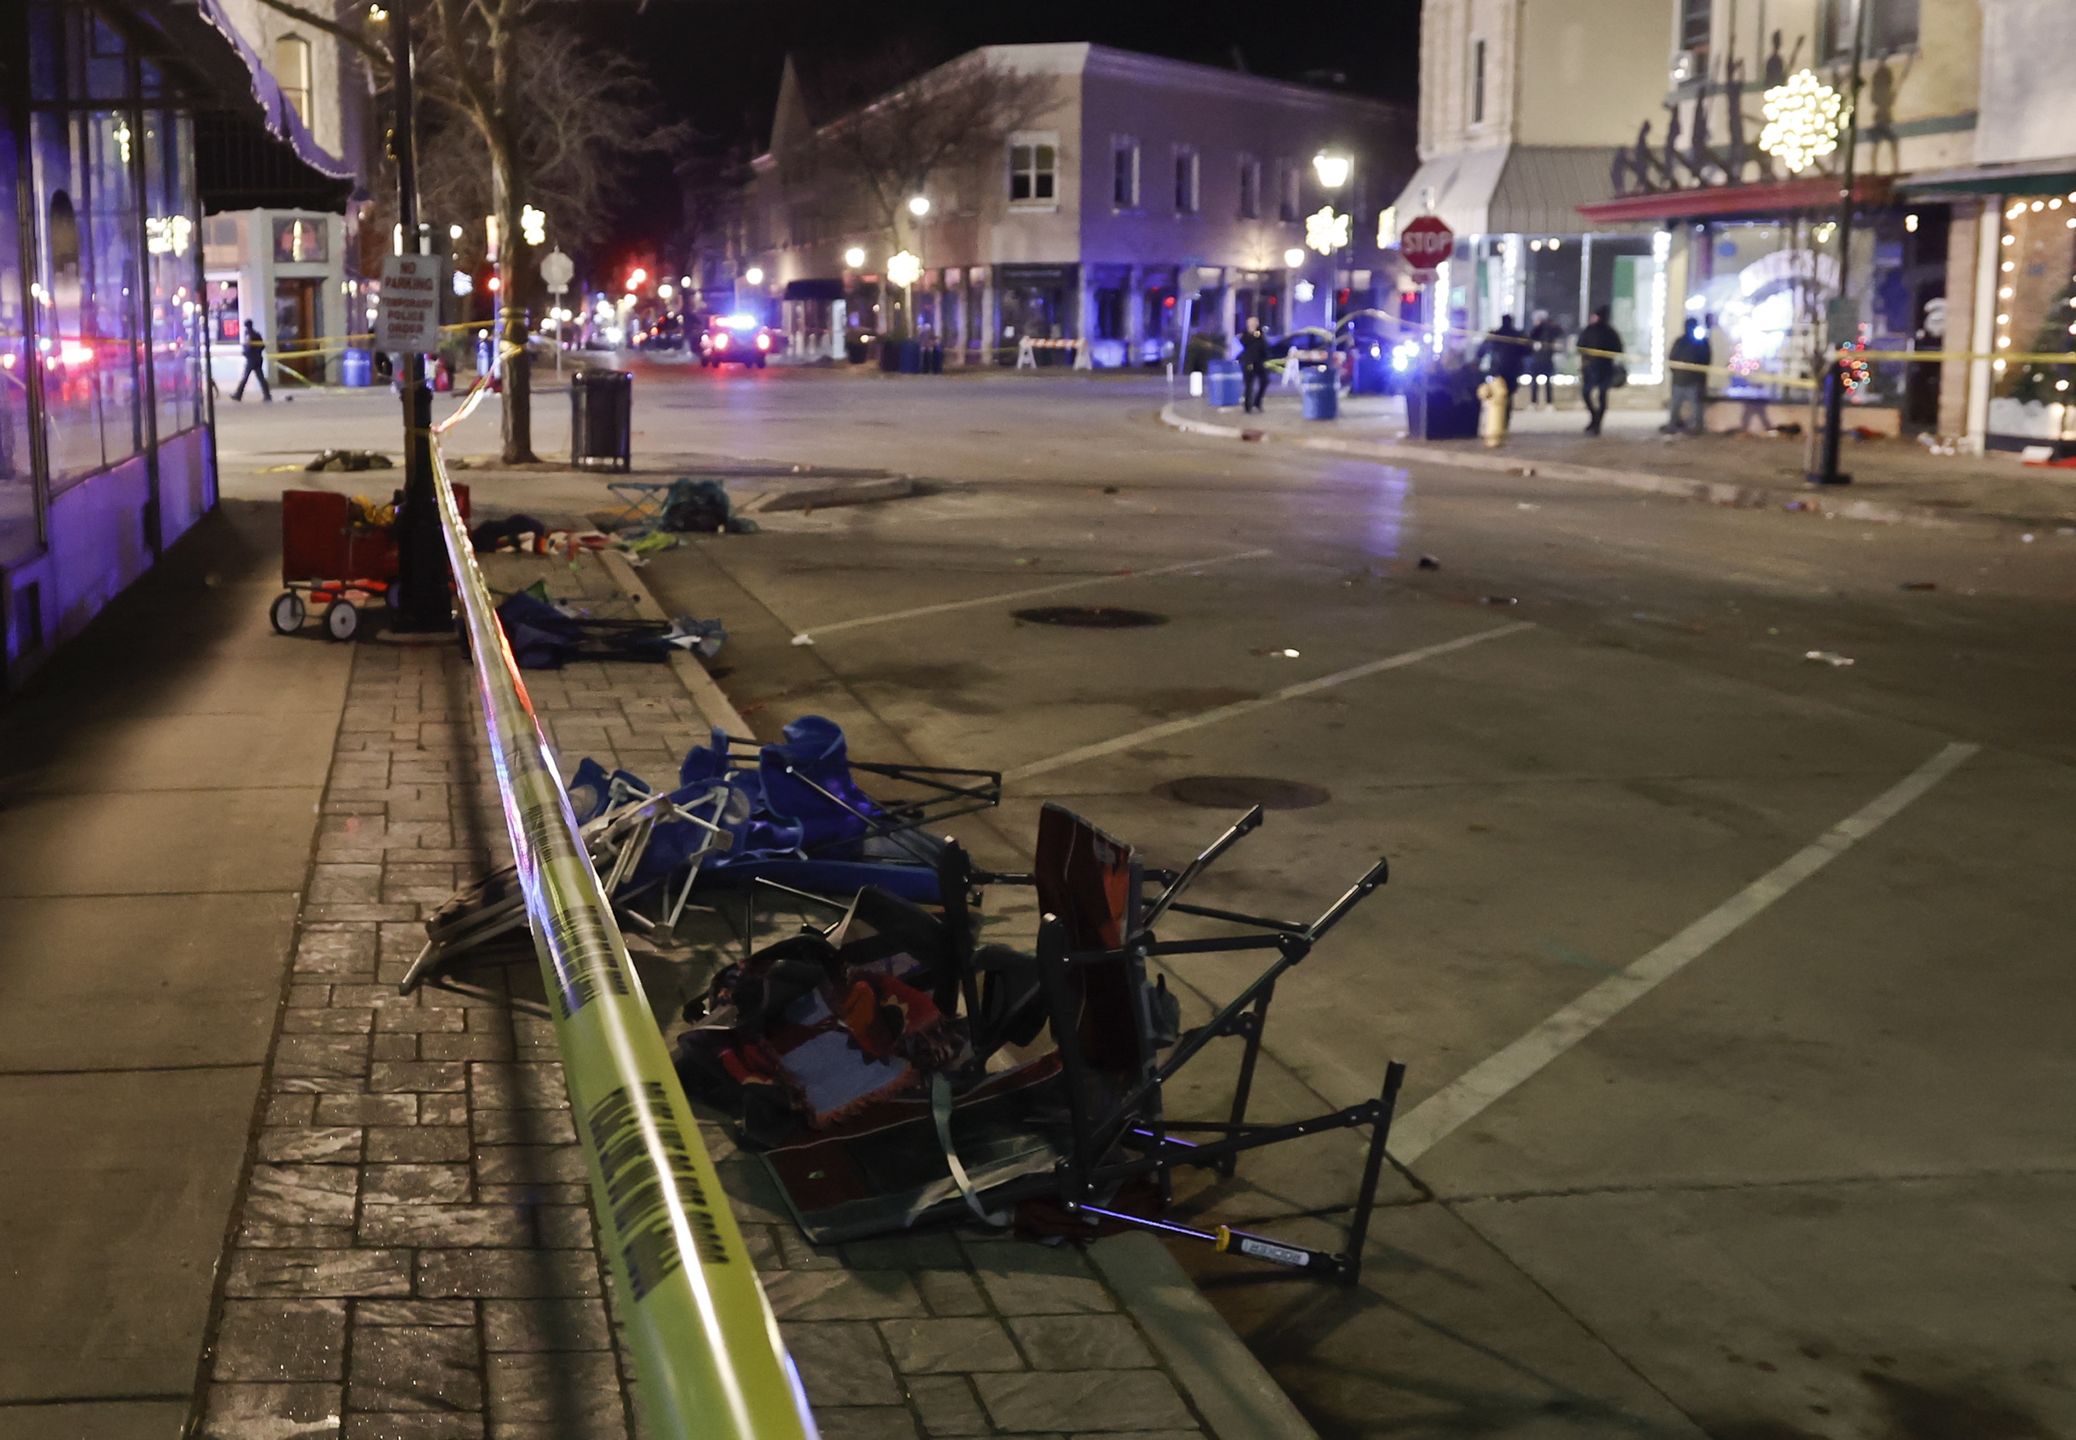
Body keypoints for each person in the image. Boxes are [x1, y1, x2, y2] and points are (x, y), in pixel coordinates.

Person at [1576, 306, 1623, 435]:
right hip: (1592, 368)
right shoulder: (1590, 330)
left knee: (1601, 395)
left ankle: (1597, 423)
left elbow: (1618, 349)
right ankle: (1595, 419)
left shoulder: (1608, 332)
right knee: (1588, 394)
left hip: (1604, 368)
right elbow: (1580, 346)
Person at [1664, 315, 1712, 435]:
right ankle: (1678, 425)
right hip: (1686, 380)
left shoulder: (1688, 342)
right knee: (1680, 405)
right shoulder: (1692, 342)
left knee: (1690, 405)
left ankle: (1690, 426)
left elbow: (1705, 360)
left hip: (1688, 380)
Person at [1476, 314, 1527, 412]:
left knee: (1502, 392)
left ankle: (1502, 412)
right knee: (1505, 393)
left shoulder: (1500, 335)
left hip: (1500, 369)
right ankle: (1503, 412)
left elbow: (1482, 350)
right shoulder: (1512, 336)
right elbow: (1527, 351)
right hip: (1509, 369)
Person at [1525, 311, 1563, 408]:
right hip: (1547, 358)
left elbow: (1530, 337)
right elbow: (1559, 332)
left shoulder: (1538, 329)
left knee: (1535, 382)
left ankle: (1534, 403)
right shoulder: (1551, 328)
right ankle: (1549, 403)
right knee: (1547, 382)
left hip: (1537, 359)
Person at [1237, 314, 1272, 413]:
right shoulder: (1244, 335)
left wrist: (1267, 358)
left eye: (1255, 323)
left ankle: (1257, 402)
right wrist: (1252, 334)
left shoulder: (1260, 334)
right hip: (1249, 362)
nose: (1254, 324)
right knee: (1249, 385)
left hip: (1260, 362)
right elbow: (1245, 343)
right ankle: (1248, 407)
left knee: (1265, 381)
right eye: (1251, 323)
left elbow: (1264, 346)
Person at [232, 320, 271, 402]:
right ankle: (267, 395)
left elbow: (248, 347)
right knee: (261, 378)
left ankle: (238, 394)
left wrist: (246, 353)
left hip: (251, 359)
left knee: (245, 377)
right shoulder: (257, 334)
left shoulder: (249, 334)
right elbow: (262, 346)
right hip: (258, 358)